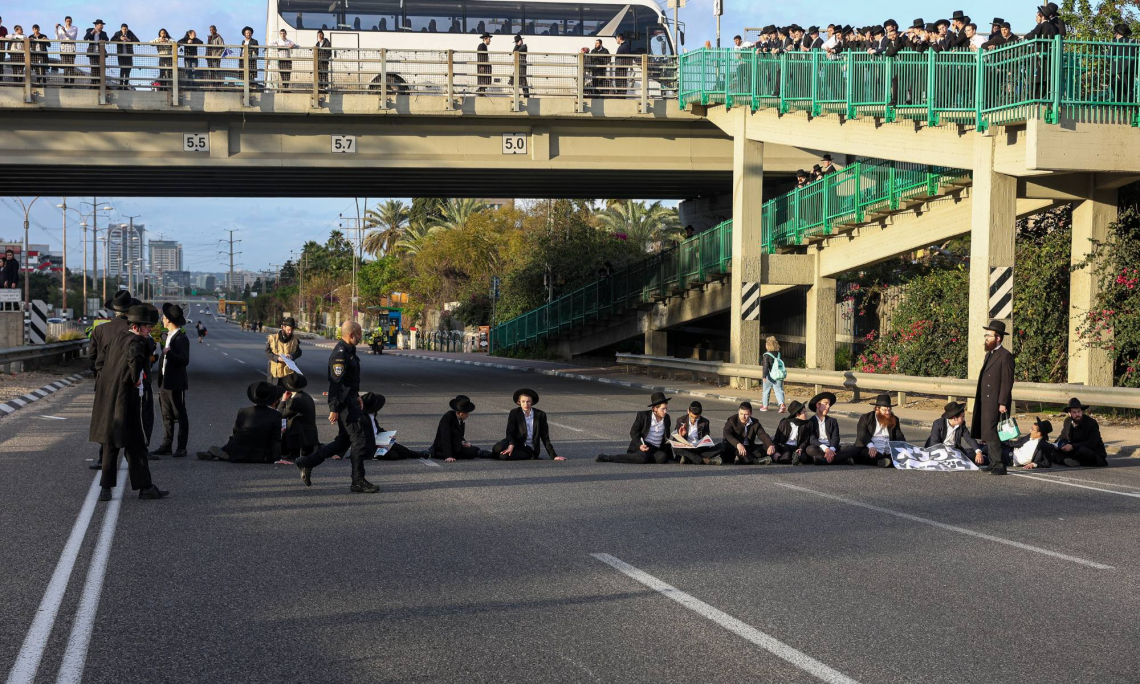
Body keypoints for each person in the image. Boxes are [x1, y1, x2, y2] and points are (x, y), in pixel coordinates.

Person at [89, 304, 168, 501]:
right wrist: (134, 379)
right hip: (128, 401)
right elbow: (135, 363)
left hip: (109, 398)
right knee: (136, 445)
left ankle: (106, 489)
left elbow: (99, 362)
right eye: (148, 327)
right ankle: (145, 488)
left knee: (111, 445)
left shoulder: (116, 339)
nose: (150, 330)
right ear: (138, 326)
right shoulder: (137, 342)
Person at [294, 321, 379, 492]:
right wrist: (333, 407)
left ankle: (307, 462)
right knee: (359, 440)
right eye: (360, 333)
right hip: (344, 404)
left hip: (350, 401)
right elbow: (335, 383)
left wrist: (357, 397)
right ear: (351, 335)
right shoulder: (340, 355)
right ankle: (358, 481)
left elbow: (350, 381)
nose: (362, 336)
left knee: (343, 442)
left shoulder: (350, 351)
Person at [86, 290, 135, 469]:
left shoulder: (100, 330)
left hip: (104, 383)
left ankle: (103, 459)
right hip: (127, 382)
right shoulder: (133, 329)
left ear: (114, 310)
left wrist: (100, 373)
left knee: (106, 420)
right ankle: (133, 459)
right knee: (130, 419)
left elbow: (91, 356)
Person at [197, 382, 284, 463]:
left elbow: (236, 431)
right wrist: (278, 459)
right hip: (261, 456)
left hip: (238, 452)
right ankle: (221, 451)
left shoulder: (243, 411)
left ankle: (220, 451)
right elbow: (275, 439)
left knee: (236, 438)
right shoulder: (276, 415)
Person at [971, 320, 1014, 475]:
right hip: (986, 400)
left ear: (998, 338)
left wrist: (1002, 402)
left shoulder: (1005, 356)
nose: (986, 338)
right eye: (986, 335)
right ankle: (992, 461)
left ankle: (999, 465)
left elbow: (1007, 381)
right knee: (987, 433)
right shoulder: (990, 354)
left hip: (996, 401)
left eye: (989, 336)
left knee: (993, 432)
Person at [596, 392, 674, 464]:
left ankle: (641, 458)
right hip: (643, 445)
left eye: (666, 408)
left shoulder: (667, 418)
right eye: (663, 409)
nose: (665, 411)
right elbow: (634, 432)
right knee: (643, 458)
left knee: (663, 458)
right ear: (655, 409)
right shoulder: (643, 416)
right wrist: (640, 445)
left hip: (655, 449)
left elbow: (665, 438)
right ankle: (610, 458)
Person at [154, 303, 190, 458]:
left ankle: (181, 447)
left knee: (180, 414)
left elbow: (184, 360)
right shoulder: (167, 336)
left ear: (168, 320)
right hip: (165, 382)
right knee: (166, 414)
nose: (162, 319)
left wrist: (169, 353)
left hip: (175, 383)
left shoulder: (181, 338)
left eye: (164, 317)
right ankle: (166, 444)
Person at [491, 388, 564, 460]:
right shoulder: (514, 413)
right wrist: (511, 445)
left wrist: (553, 456)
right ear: (519, 402)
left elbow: (545, 437)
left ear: (532, 402)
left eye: (528, 401)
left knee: (504, 456)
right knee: (497, 448)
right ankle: (484, 453)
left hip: (528, 448)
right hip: (515, 443)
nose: (526, 404)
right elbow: (510, 432)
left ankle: (483, 453)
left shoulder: (540, 415)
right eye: (523, 401)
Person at [838, 394, 904, 468]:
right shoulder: (866, 418)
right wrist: (871, 446)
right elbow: (862, 435)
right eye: (885, 410)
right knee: (867, 454)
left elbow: (899, 435)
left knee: (902, 456)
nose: (888, 413)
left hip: (888, 451)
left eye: (889, 410)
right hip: (870, 448)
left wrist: (902, 447)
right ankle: (885, 461)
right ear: (877, 409)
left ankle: (885, 461)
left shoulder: (894, 419)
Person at [361, 391, 425, 460]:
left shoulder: (371, 415)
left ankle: (414, 453)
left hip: (379, 441)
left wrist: (387, 435)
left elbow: (376, 429)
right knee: (398, 453)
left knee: (399, 452)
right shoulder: (363, 419)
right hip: (372, 446)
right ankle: (416, 454)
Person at [432, 394, 491, 461]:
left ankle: (487, 454)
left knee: (475, 449)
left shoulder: (460, 419)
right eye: (467, 413)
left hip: (455, 446)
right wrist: (448, 456)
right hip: (443, 450)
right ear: (461, 414)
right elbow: (445, 438)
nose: (468, 415)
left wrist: (464, 442)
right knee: (473, 452)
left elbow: (458, 435)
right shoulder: (447, 418)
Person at [713, 401, 774, 465]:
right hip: (735, 447)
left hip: (748, 447)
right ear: (738, 412)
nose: (743, 416)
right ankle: (755, 461)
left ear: (750, 413)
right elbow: (727, 434)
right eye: (741, 414)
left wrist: (770, 445)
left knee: (768, 445)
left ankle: (746, 458)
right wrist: (738, 444)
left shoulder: (755, 422)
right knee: (729, 448)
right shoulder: (732, 420)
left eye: (746, 414)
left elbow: (762, 434)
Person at [925, 401, 986, 466]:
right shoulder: (938, 424)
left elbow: (969, 438)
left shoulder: (961, 424)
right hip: (939, 451)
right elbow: (934, 443)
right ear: (955, 418)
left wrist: (978, 452)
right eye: (962, 417)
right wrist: (947, 454)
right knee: (967, 462)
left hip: (955, 451)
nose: (964, 419)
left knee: (982, 456)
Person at [1056, 398, 1108, 467]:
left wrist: (1073, 446)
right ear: (1069, 413)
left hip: (1091, 451)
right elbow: (1063, 436)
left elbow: (1092, 443)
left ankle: (1073, 461)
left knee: (1083, 451)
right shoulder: (1067, 421)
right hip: (1074, 451)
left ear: (1082, 411)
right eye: (1074, 412)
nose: (1077, 414)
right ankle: (1066, 461)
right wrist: (1056, 444)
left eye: (1079, 411)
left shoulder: (1091, 423)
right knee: (1052, 449)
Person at [800, 391, 849, 464]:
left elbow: (835, 438)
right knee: (809, 449)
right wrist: (826, 449)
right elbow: (812, 439)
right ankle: (839, 460)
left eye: (829, 404)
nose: (828, 406)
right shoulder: (810, 422)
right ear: (818, 405)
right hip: (819, 447)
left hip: (832, 447)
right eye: (826, 404)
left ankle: (822, 460)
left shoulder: (833, 421)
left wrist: (831, 449)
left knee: (850, 448)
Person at [280, 373, 318, 462]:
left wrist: (283, 400)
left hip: (300, 435)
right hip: (309, 434)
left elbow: (281, 414)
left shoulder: (296, 400)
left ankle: (292, 453)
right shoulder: (305, 396)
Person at [669, 400, 716, 465]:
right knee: (676, 449)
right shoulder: (681, 420)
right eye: (691, 417)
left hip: (698, 449)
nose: (693, 420)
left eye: (696, 418)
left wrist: (703, 443)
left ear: (700, 414)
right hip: (686, 448)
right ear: (688, 411)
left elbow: (706, 439)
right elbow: (675, 441)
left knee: (721, 446)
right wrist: (681, 436)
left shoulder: (705, 422)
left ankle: (688, 458)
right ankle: (702, 460)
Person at [266, 316, 302, 385]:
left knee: (286, 394)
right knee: (274, 392)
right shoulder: (272, 338)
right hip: (274, 372)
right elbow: (267, 352)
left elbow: (299, 352)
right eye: (288, 329)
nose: (290, 332)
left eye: (292, 330)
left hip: (288, 373)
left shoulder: (295, 340)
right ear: (283, 327)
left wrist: (291, 356)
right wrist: (277, 358)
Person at [760, 336, 786, 412]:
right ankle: (782, 404)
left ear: (768, 346)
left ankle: (765, 406)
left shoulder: (766, 355)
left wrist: (764, 376)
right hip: (778, 375)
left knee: (766, 391)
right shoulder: (779, 354)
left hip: (769, 376)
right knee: (779, 390)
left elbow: (765, 366)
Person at [111, 23, 138, 90]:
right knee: (122, 69)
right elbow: (111, 40)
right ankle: (120, 85)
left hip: (129, 55)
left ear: (127, 29)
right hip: (121, 54)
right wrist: (120, 39)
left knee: (128, 70)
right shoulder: (117, 33)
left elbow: (138, 41)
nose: (124, 30)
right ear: (121, 29)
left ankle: (125, 86)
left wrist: (128, 40)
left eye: (125, 29)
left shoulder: (130, 33)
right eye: (123, 29)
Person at [84, 19, 109, 84]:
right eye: (100, 25)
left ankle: (100, 82)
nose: (102, 26)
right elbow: (85, 38)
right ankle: (93, 82)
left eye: (102, 25)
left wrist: (98, 33)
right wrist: (92, 32)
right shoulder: (89, 30)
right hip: (92, 51)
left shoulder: (103, 33)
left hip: (101, 53)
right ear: (96, 25)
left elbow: (107, 40)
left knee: (101, 67)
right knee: (93, 68)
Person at [56, 17, 79, 85]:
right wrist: (56, 29)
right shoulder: (61, 29)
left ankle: (71, 82)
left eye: (69, 21)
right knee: (65, 66)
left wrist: (65, 31)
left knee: (71, 66)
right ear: (65, 21)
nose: (68, 22)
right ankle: (66, 83)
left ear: (71, 21)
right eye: (67, 21)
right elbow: (58, 38)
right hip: (63, 49)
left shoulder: (74, 28)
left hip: (71, 48)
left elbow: (72, 37)